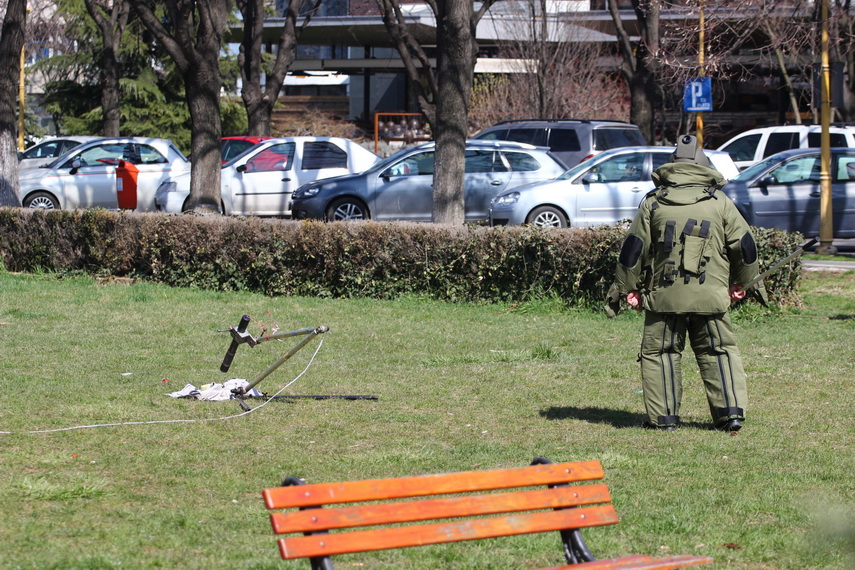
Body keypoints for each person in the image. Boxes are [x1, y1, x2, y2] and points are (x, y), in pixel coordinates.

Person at [605, 135, 764, 432]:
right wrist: (745, 284)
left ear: (671, 167)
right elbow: (745, 246)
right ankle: (731, 414)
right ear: (704, 167)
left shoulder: (653, 202)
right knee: (719, 350)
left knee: (660, 353)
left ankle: (664, 419)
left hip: (663, 296)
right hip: (711, 295)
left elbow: (633, 250)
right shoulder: (721, 202)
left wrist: (625, 289)